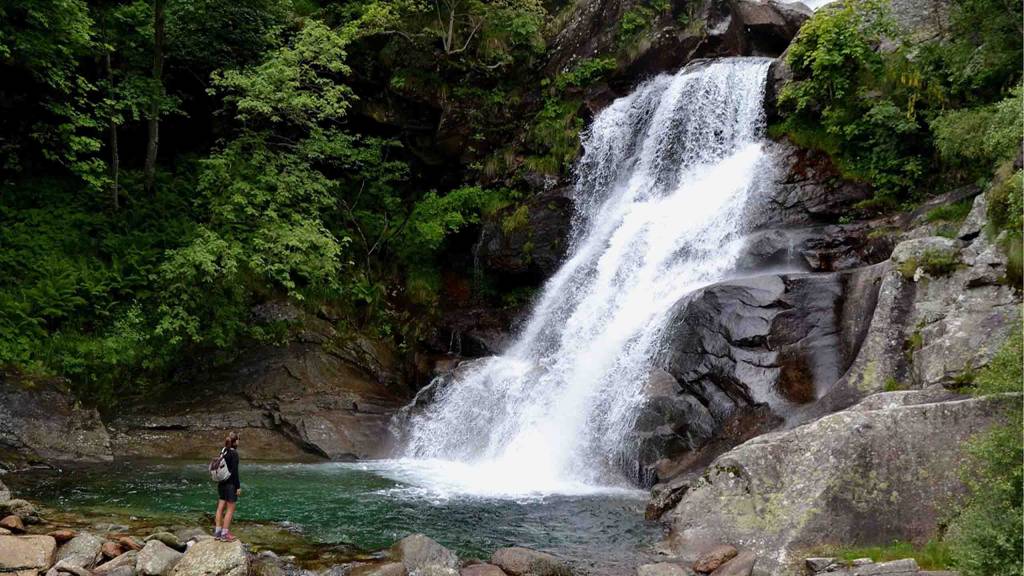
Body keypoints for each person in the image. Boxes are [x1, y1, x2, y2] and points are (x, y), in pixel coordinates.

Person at [214, 431, 241, 542]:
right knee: (230, 509)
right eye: (238, 439)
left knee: (220, 508)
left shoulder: (223, 451)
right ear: (236, 441)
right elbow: (234, 472)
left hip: (221, 483)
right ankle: (225, 534)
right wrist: (238, 487)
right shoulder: (234, 454)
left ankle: (218, 532)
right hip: (230, 485)